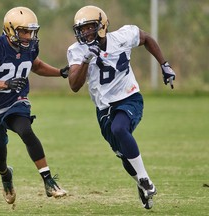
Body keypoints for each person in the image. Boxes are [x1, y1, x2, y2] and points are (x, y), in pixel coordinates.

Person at [67, 5, 176, 210]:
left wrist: (164, 64)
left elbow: (147, 39)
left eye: (89, 27)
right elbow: (74, 85)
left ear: (101, 26)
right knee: (122, 153)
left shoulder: (123, 36)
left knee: (120, 128)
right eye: (81, 29)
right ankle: (141, 183)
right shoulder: (77, 51)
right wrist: (85, 60)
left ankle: (144, 179)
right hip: (104, 108)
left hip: (129, 97)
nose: (84, 33)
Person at [0, 6, 68, 205]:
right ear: (10, 30)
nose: (29, 36)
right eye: (24, 31)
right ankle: (6, 176)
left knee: (26, 130)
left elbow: (37, 66)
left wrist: (60, 72)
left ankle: (49, 181)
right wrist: (4, 83)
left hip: (16, 100)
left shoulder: (30, 47)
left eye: (31, 31)